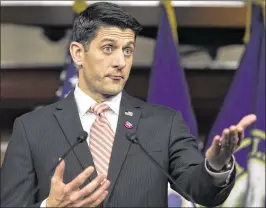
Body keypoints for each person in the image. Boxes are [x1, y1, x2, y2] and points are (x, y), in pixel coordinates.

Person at [1, 2, 257, 207]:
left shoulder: (163, 124)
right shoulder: (31, 128)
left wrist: (215, 165)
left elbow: (203, 192)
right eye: (109, 48)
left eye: (128, 50)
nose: (121, 62)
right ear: (78, 53)